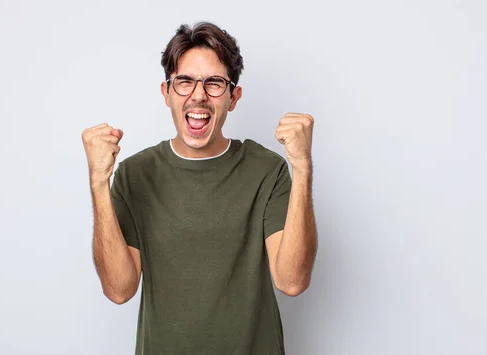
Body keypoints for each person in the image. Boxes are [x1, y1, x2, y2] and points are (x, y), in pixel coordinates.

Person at [81, 21, 318, 355]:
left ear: (233, 97)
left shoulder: (267, 169)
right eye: (185, 81)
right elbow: (119, 290)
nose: (198, 95)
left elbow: (292, 281)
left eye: (214, 83)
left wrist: (303, 167)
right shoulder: (135, 173)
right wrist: (98, 183)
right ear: (166, 93)